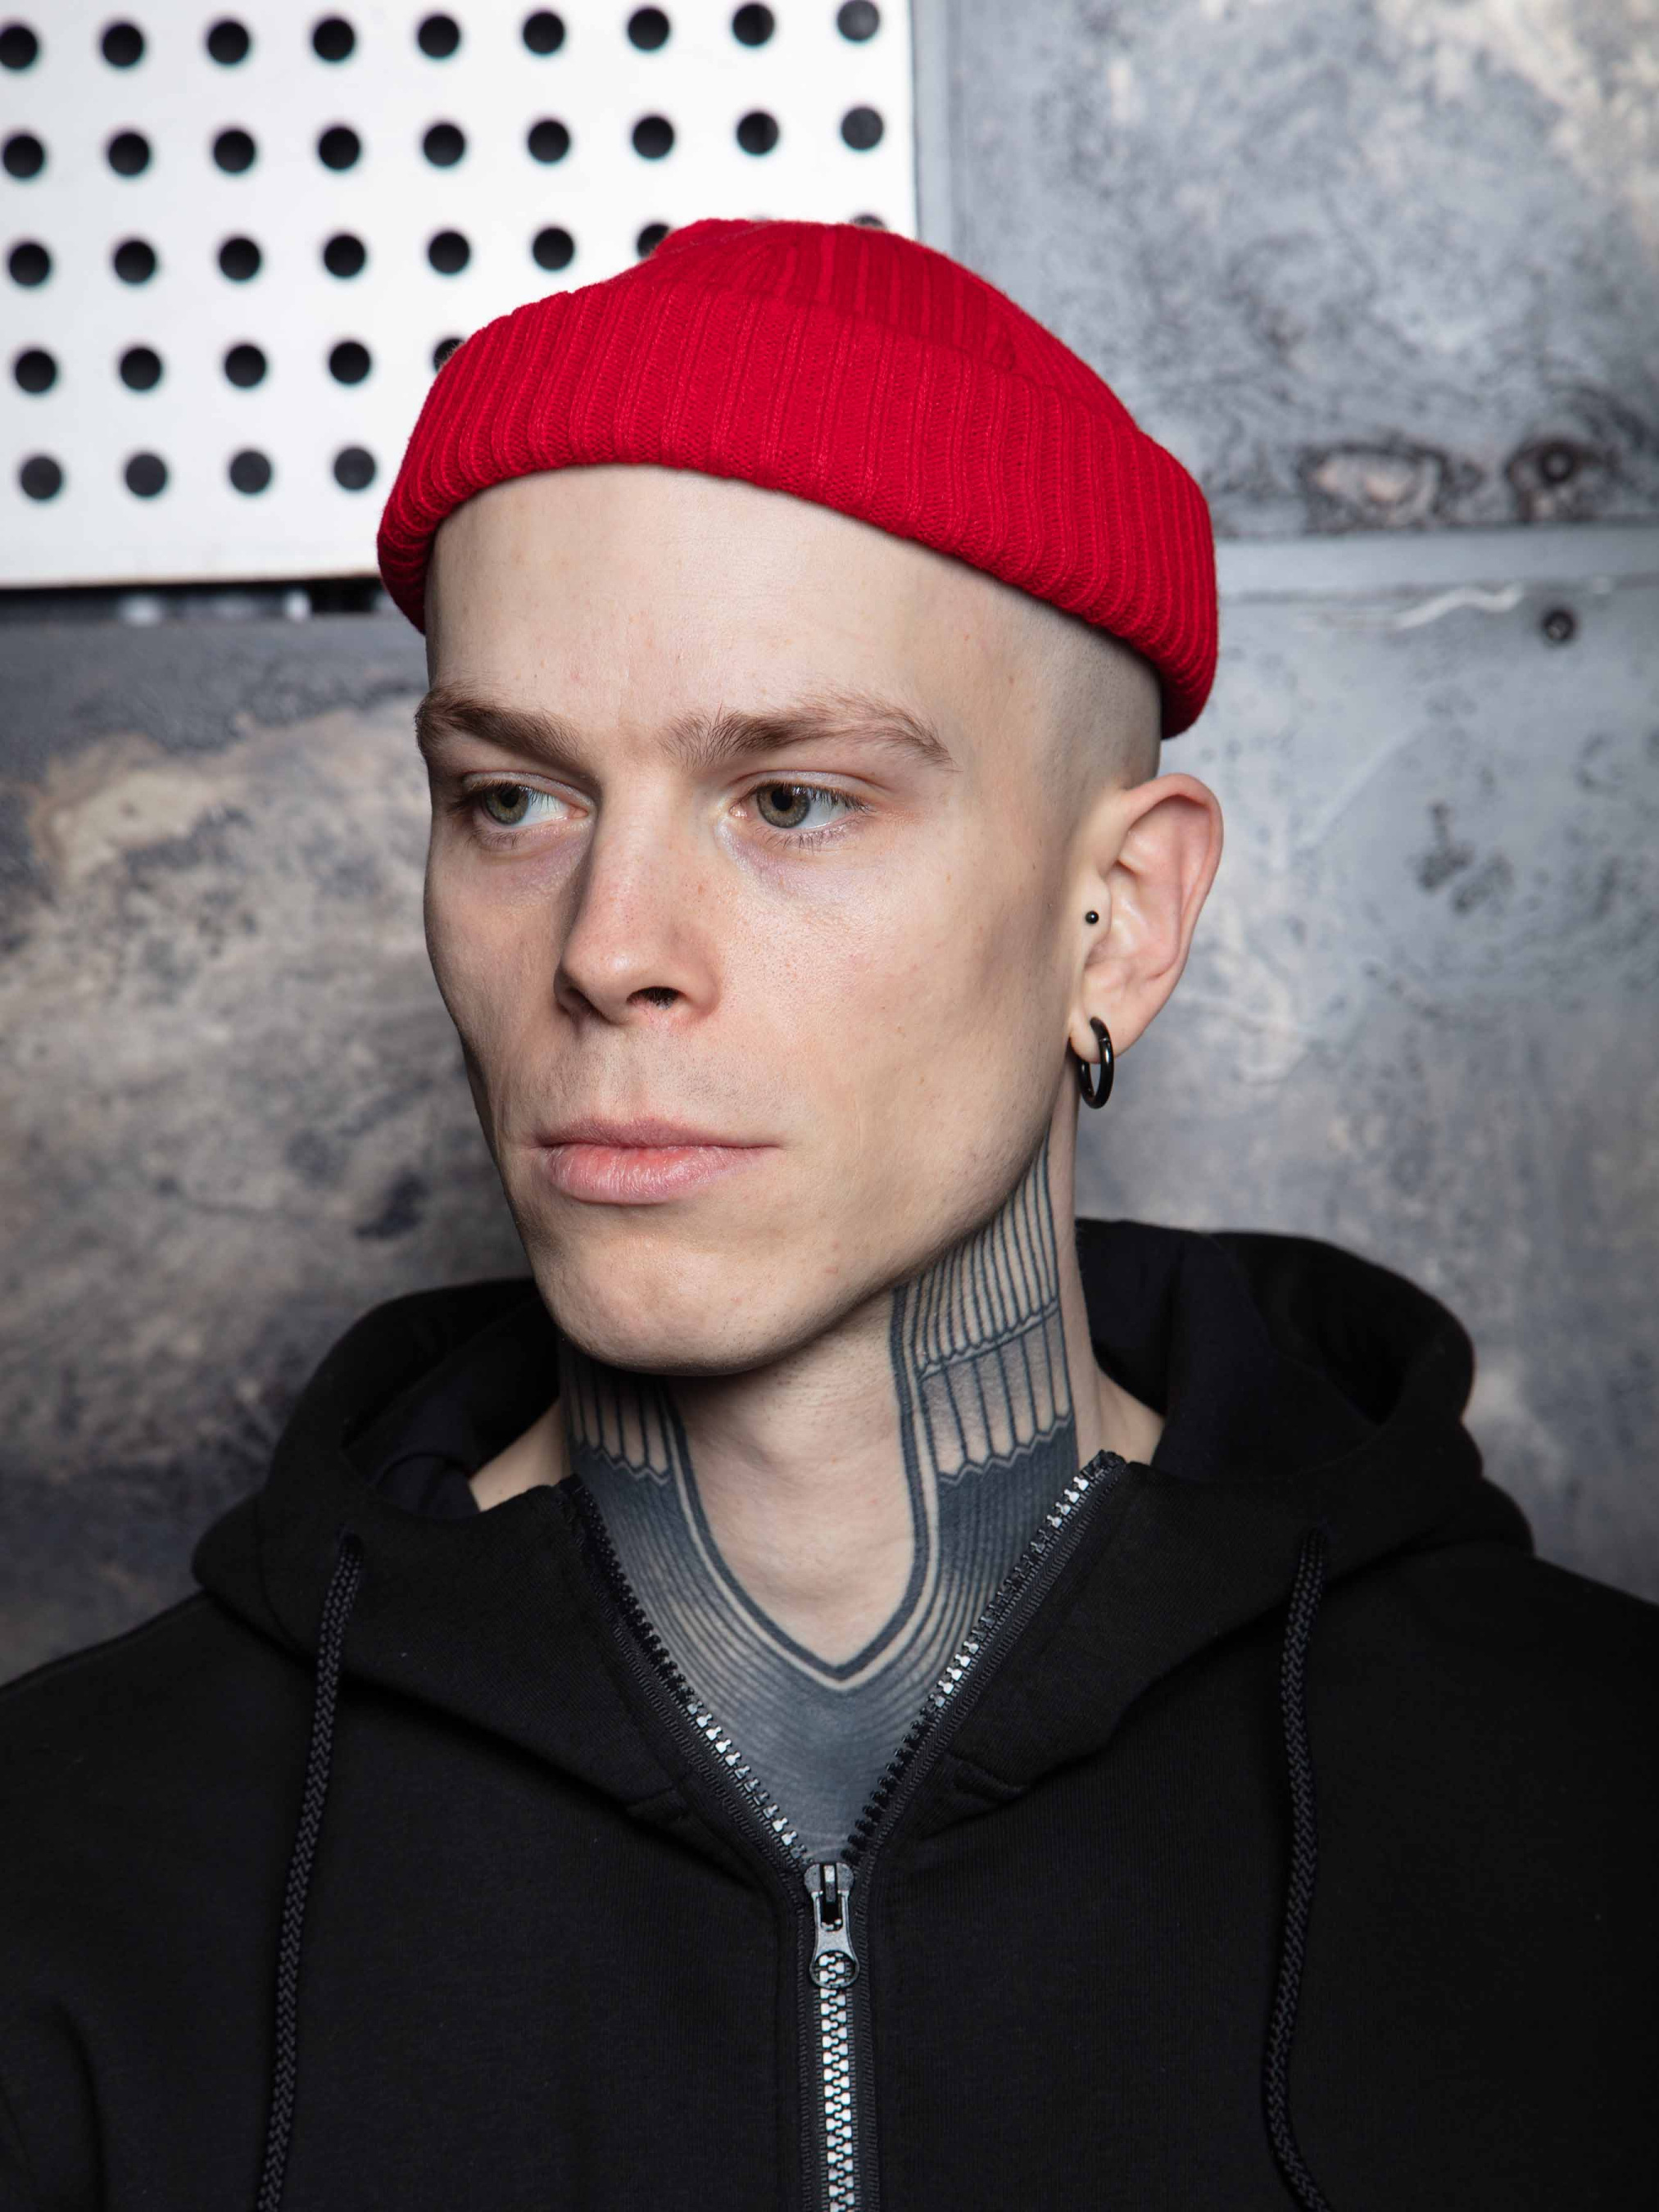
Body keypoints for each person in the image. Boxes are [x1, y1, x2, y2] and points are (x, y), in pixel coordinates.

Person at [0, 218, 1654, 2212]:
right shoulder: (74, 1866)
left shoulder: (1594, 1805)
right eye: (511, 799)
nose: (607, 949)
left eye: (790, 799)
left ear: (1113, 922)